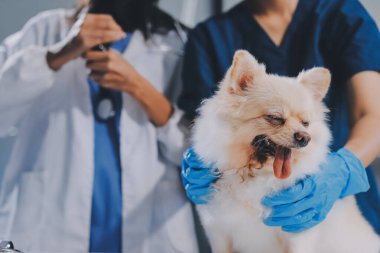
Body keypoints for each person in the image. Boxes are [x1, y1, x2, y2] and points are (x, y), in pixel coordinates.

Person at [0, 0, 198, 252]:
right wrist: (57, 54)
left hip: (148, 227)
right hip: (49, 225)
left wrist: (139, 86)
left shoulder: (180, 44)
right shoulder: (46, 30)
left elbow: (202, 156)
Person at [180, 0, 380, 240]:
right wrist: (202, 159)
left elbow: (373, 115)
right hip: (242, 215)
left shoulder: (342, 14)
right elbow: (202, 123)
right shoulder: (210, 36)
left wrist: (342, 171)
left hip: (337, 210)